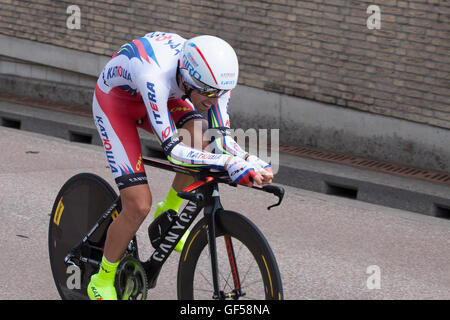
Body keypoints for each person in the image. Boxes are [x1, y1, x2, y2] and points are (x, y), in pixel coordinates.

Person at [88, 32, 273, 300]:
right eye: (208, 92)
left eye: (221, 93)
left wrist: (248, 160)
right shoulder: (155, 75)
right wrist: (229, 162)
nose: (214, 99)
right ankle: (102, 278)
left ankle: (169, 210)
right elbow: (174, 151)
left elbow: (220, 138)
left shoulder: (209, 82)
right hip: (116, 104)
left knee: (201, 137)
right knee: (138, 204)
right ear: (187, 79)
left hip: (166, 98)